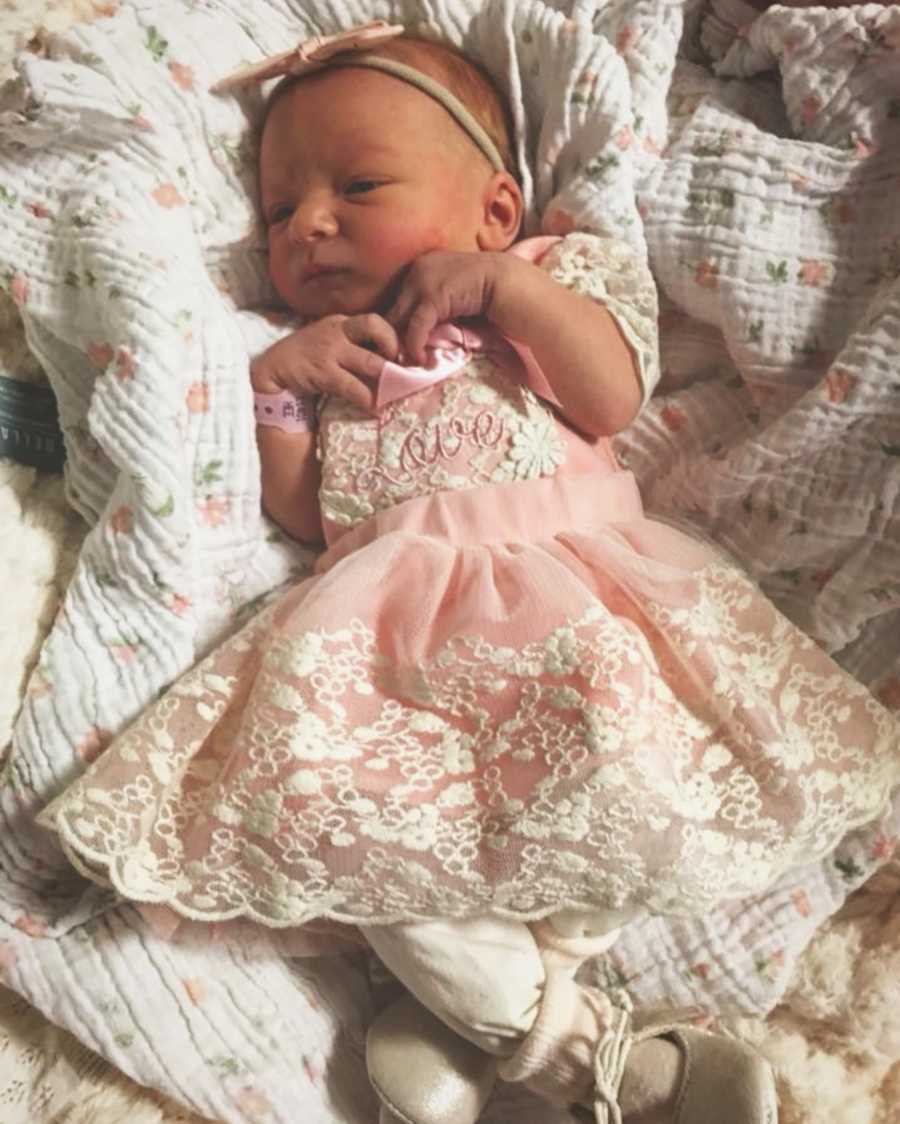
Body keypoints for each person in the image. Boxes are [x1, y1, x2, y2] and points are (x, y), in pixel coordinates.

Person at [38, 23, 899, 1124]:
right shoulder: (325, 351)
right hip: (392, 647)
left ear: (495, 209)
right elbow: (307, 511)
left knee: (642, 781)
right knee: (357, 832)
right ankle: (577, 1049)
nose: (308, 223)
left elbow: (610, 398)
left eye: (357, 184)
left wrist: (507, 290)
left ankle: (511, 1003)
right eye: (277, 211)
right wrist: (276, 396)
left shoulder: (542, 274)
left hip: (581, 598)